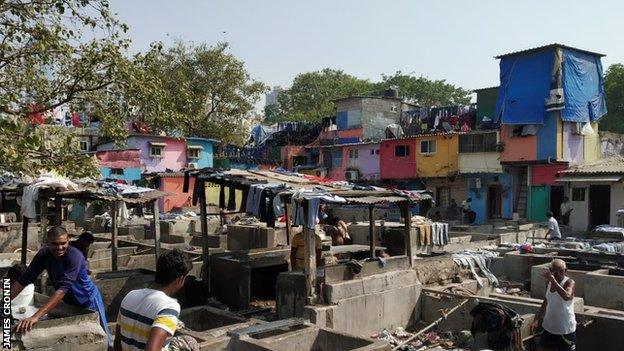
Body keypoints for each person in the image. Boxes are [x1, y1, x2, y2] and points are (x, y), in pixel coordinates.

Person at [11, 226, 112, 346]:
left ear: (68, 240)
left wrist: (35, 317)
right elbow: (23, 280)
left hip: (88, 300)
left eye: (63, 243)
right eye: (54, 244)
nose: (59, 248)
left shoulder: (74, 256)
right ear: (47, 243)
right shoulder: (43, 254)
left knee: (104, 339)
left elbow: (61, 290)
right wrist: (4, 302)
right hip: (69, 302)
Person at [114, 249, 192, 351]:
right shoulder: (168, 306)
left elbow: (117, 342)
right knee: (189, 343)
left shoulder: (130, 295)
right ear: (179, 279)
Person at [531, 259, 577, 351]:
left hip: (565, 329)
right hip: (549, 327)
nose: (558, 274)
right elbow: (546, 301)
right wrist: (536, 319)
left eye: (561, 271)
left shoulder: (569, 282)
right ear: (550, 270)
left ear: (565, 270)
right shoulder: (549, 283)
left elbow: (567, 296)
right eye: (555, 271)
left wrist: (553, 280)